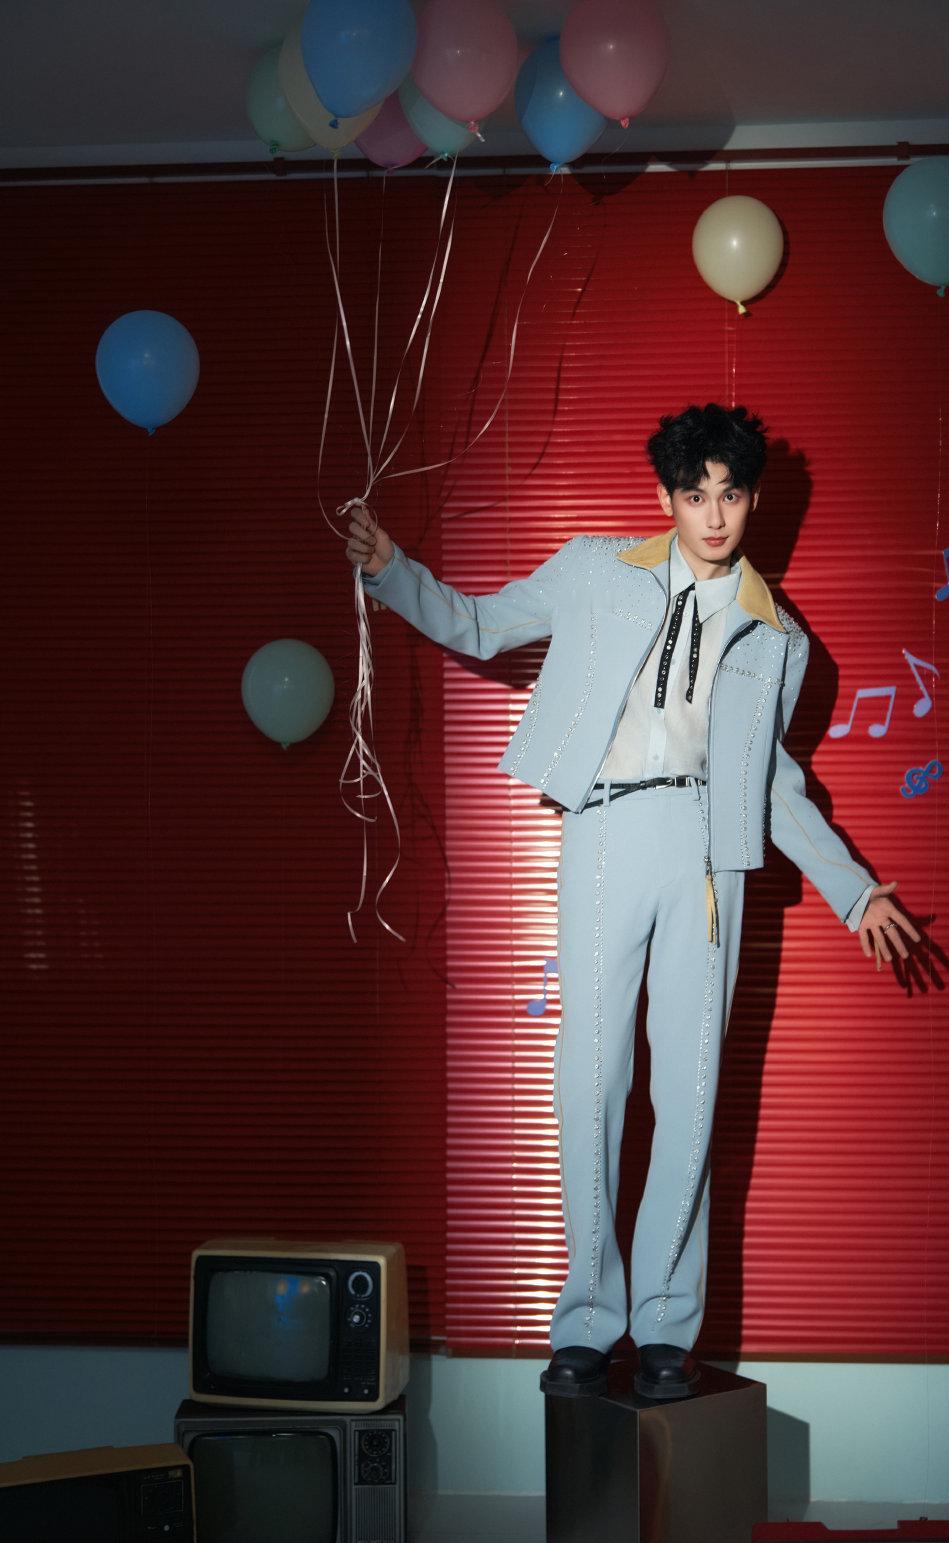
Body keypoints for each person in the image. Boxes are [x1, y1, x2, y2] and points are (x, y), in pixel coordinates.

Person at [345, 404, 919, 1402]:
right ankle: (586, 1320)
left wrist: (853, 887)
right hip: (604, 829)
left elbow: (771, 781)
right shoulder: (593, 569)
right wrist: (393, 569)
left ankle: (662, 1328)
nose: (713, 515)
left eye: (730, 495)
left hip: (708, 853)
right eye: (695, 495)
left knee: (689, 1093)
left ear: (753, 500)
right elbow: (482, 625)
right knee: (590, 1081)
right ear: (665, 497)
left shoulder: (778, 637)